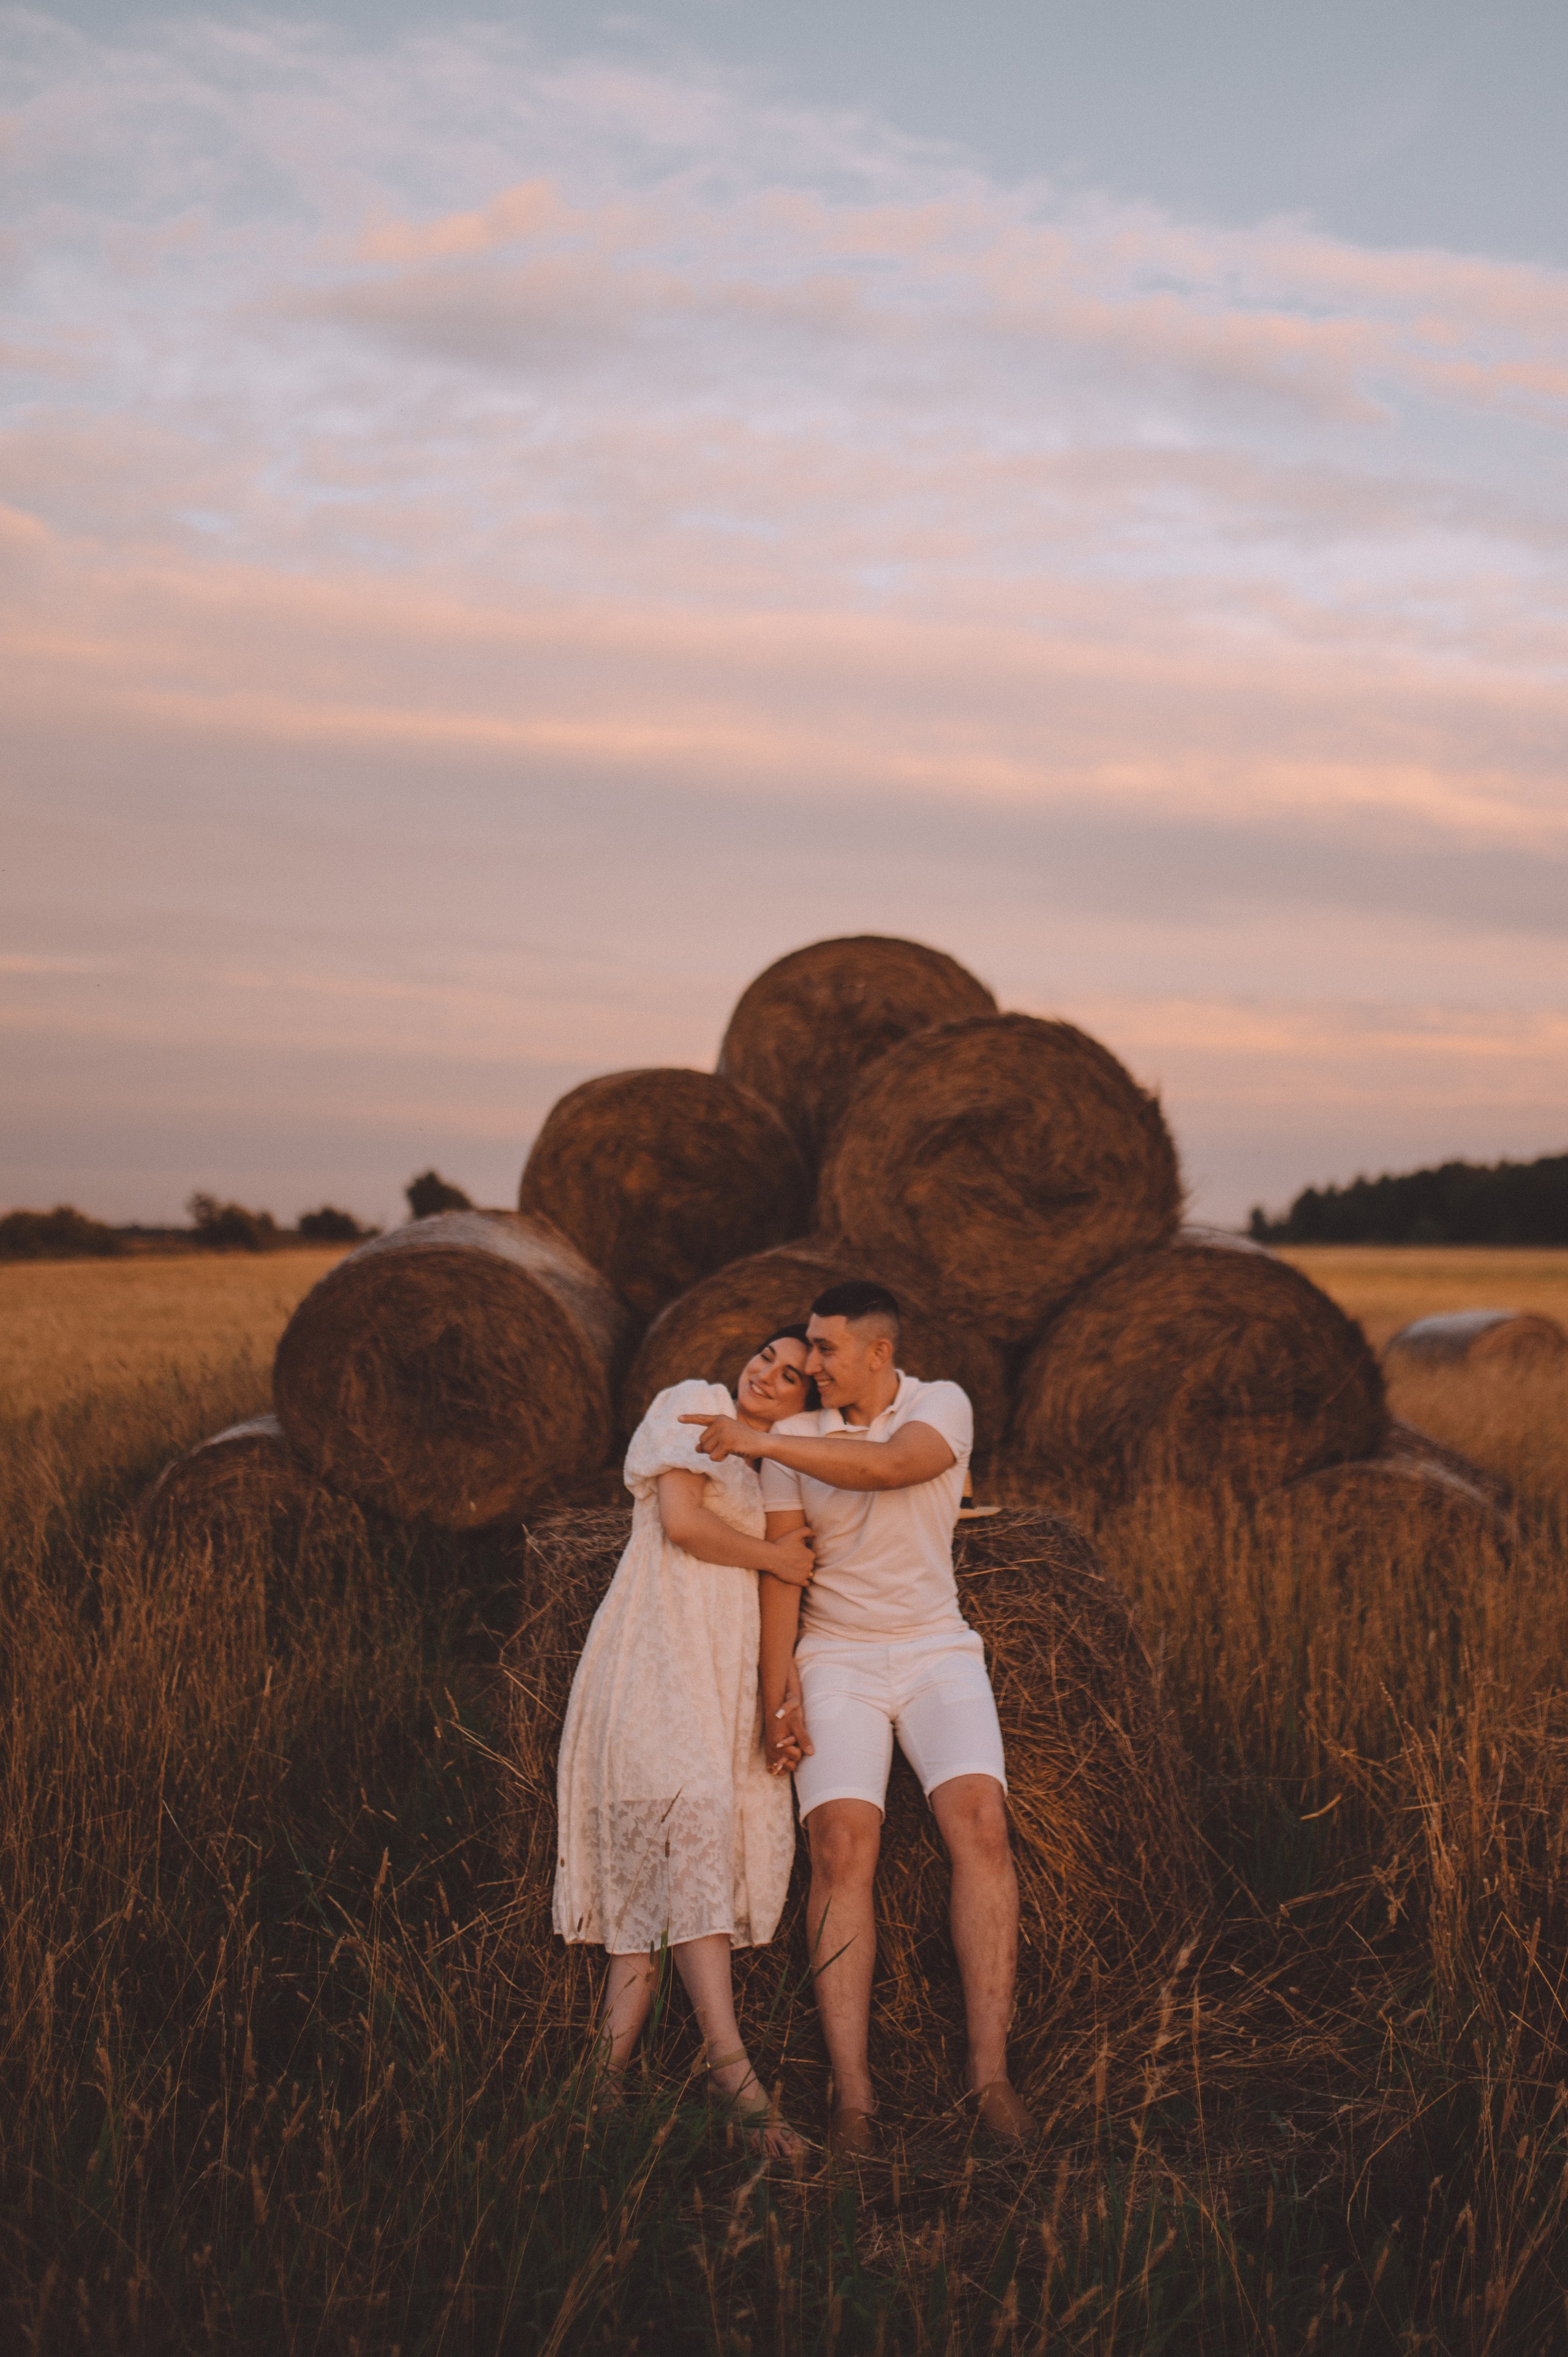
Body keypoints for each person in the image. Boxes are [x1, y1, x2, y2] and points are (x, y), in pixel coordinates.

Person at [681, 1281, 1035, 2157]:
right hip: (836, 1656)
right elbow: (785, 1572)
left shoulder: (939, 1406)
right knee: (843, 1843)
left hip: (937, 1650)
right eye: (807, 1346)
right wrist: (778, 1691)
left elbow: (890, 1468)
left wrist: (760, 1437)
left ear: (879, 1353)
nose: (811, 1363)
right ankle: (855, 2095)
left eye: (827, 1349)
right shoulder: (792, 1439)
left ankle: (990, 2078)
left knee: (981, 1826)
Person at [553, 1329, 819, 2159]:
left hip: (717, 1676)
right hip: (652, 1657)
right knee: (689, 1827)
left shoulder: (783, 1463)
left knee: (653, 1870)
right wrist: (777, 1555)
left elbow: (788, 1588)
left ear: (809, 1407)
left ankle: (600, 2086)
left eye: (790, 1378)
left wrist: (785, 1694)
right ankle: (730, 2068)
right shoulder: (694, 1402)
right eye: (767, 1359)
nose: (765, 1376)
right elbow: (681, 1522)